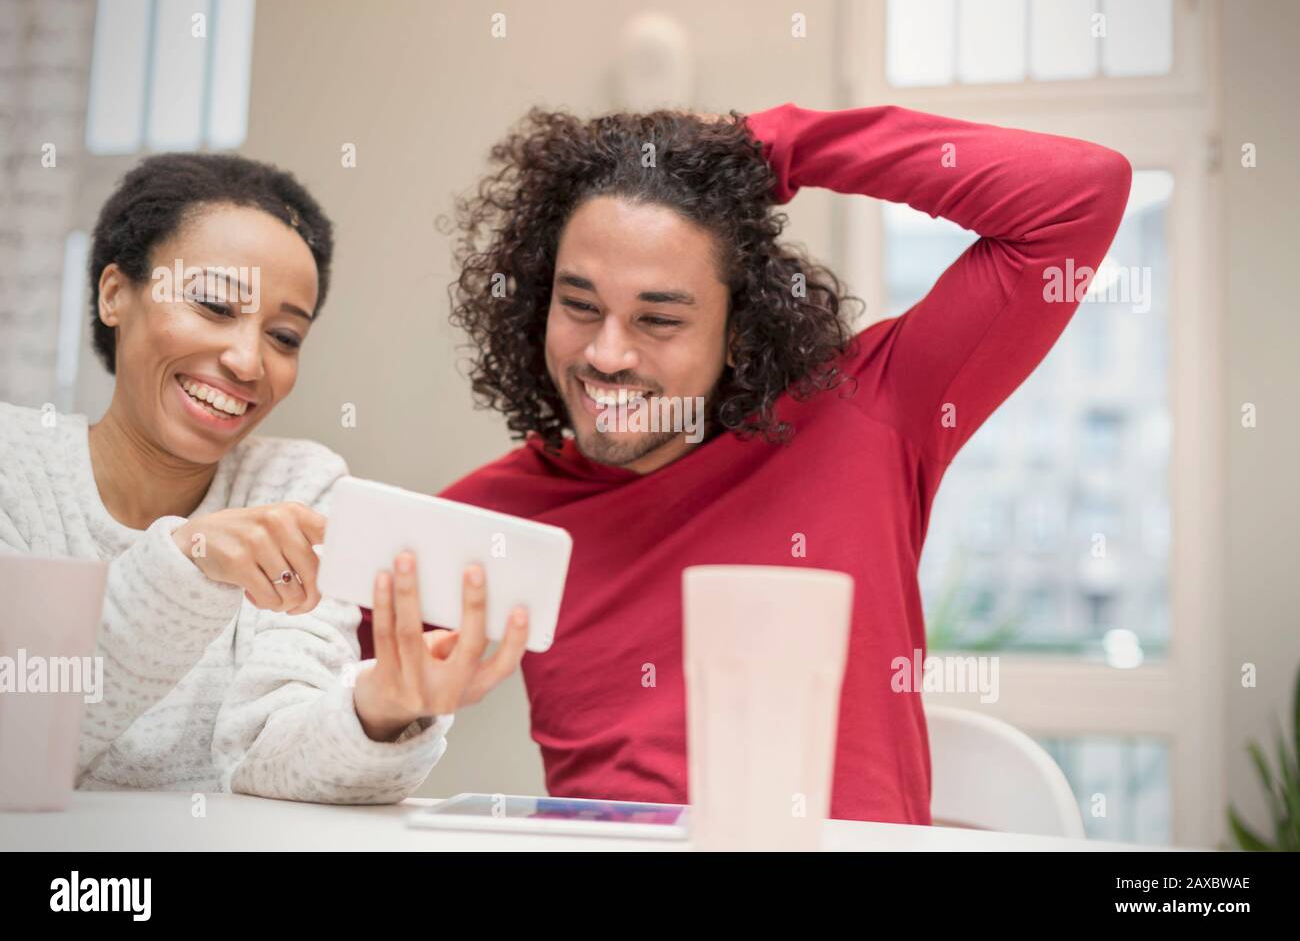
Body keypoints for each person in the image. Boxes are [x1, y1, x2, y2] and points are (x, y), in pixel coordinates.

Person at [415, 102, 1131, 823]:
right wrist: (346, 659)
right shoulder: (502, 517)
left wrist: (768, 145)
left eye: (658, 320)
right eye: (578, 307)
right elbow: (309, 672)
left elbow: (1078, 198)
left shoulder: (868, 413)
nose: (607, 354)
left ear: (738, 331)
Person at [0, 153, 528, 802]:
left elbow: (268, 759)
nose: (248, 361)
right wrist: (185, 559)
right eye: (215, 305)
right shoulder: (14, 468)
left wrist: (380, 706)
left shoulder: (296, 485)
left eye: (283, 336)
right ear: (115, 293)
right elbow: (15, 747)